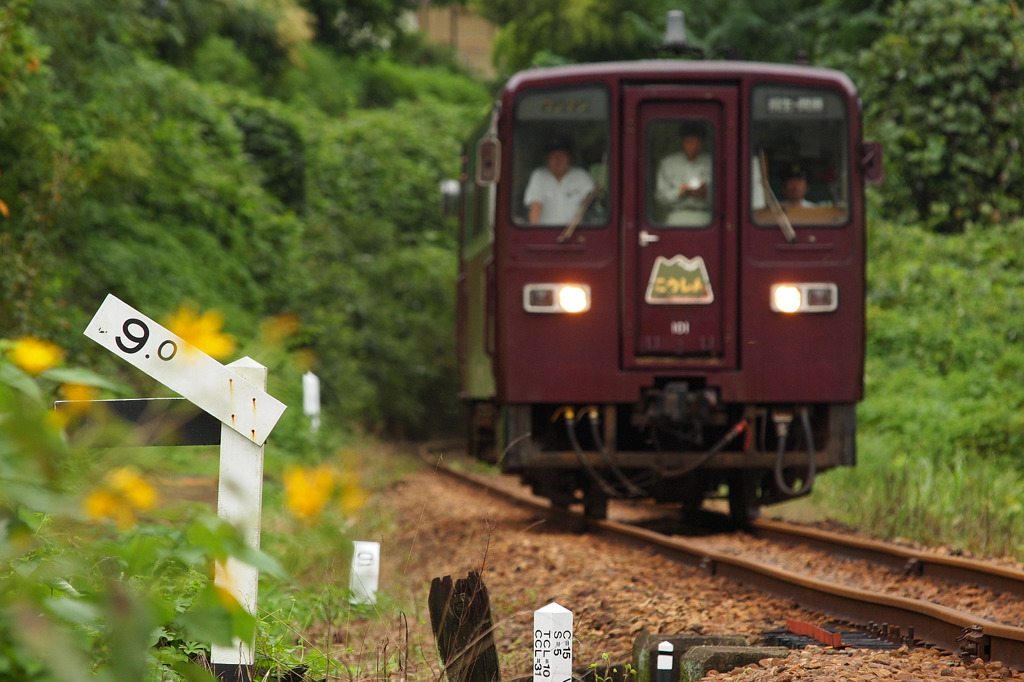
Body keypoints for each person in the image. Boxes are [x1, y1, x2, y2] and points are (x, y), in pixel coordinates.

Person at [524, 136, 595, 225]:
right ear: (547, 159)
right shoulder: (539, 176)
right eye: (553, 156)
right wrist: (534, 234)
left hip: (576, 235)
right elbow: (535, 206)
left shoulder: (582, 176)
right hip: (545, 234)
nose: (558, 160)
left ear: (569, 158)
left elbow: (593, 206)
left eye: (562, 156)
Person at [655, 122, 713, 225]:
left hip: (705, 218)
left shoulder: (712, 163)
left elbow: (726, 198)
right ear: (682, 141)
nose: (694, 147)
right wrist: (680, 191)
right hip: (676, 216)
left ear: (703, 143)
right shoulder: (668, 163)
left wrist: (706, 193)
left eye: (698, 143)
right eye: (690, 142)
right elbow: (660, 197)